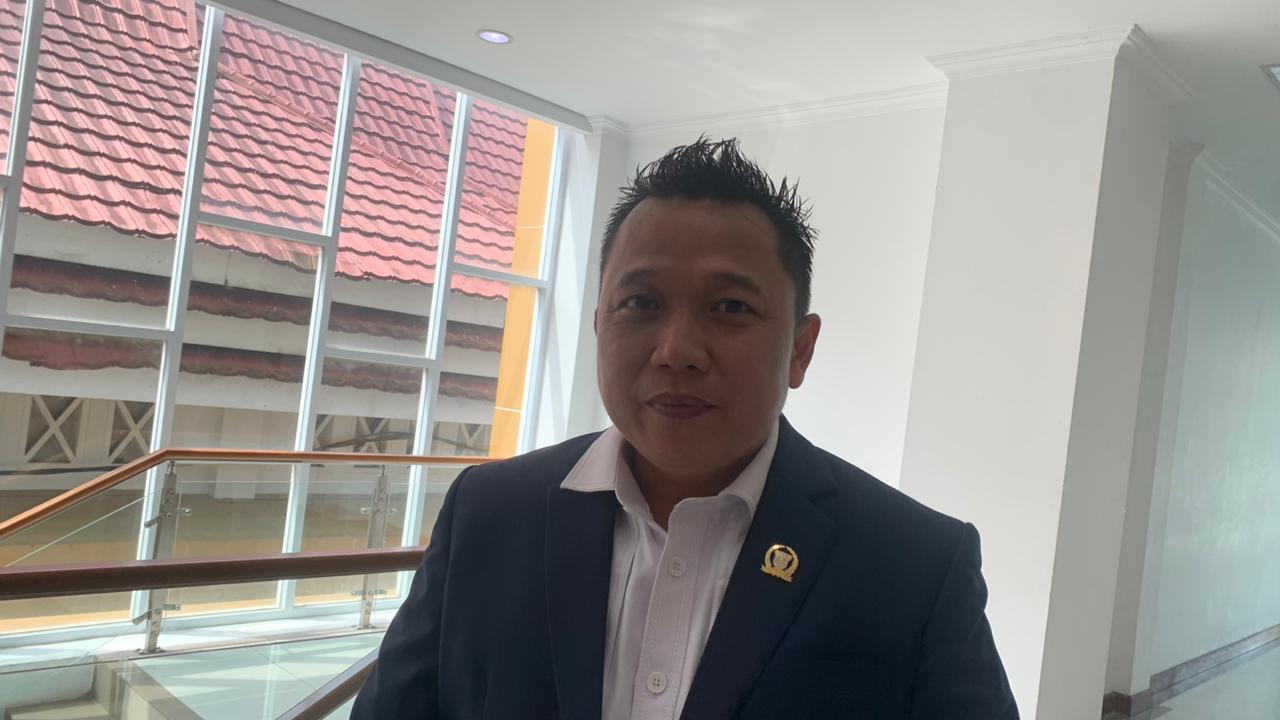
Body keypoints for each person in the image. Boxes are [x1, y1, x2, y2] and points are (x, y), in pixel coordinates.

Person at [351, 138, 1018, 719]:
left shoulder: (915, 567)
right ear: (599, 323)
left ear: (800, 349)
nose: (676, 350)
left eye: (730, 306)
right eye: (641, 302)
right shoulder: (489, 515)